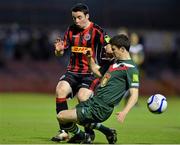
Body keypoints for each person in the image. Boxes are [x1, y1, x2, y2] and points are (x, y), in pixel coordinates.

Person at [56, 34, 139, 144]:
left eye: (114, 49)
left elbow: (134, 94)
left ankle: (83, 136)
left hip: (101, 108)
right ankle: (108, 132)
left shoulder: (131, 69)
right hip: (93, 102)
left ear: (122, 49)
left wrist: (125, 112)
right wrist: (90, 58)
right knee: (73, 118)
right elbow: (97, 71)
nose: (112, 52)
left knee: (61, 116)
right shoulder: (115, 63)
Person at [51, 3, 110, 142]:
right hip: (73, 71)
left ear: (87, 16)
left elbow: (109, 47)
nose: (76, 21)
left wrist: (108, 50)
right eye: (74, 18)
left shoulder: (97, 31)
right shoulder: (71, 30)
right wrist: (58, 51)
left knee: (83, 98)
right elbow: (60, 52)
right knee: (60, 90)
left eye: (79, 17)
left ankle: (88, 133)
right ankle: (64, 131)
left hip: (90, 73)